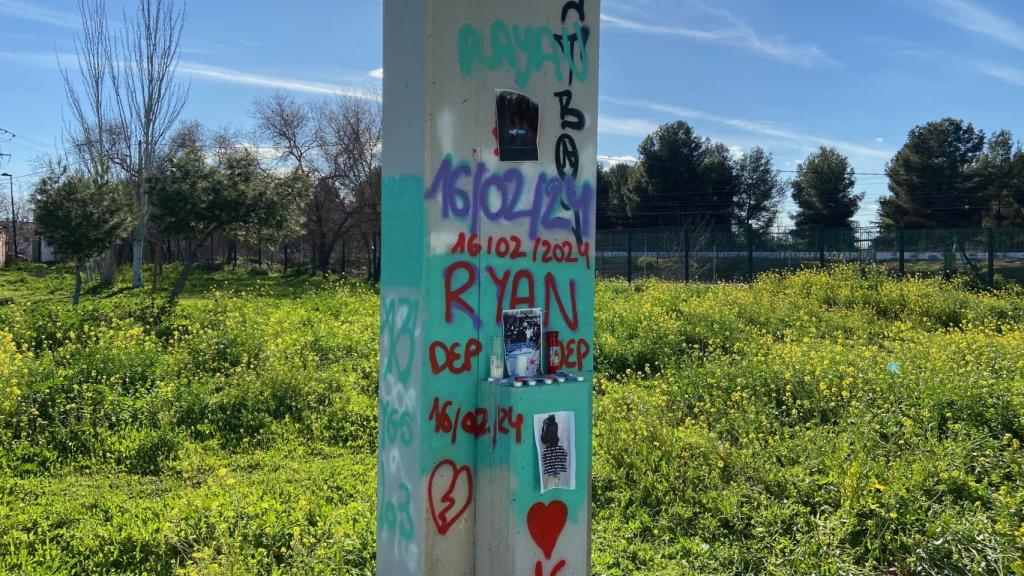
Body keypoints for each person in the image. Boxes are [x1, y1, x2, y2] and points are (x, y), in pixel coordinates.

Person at [541, 415, 569, 490]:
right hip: (555, 446)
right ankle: (556, 475)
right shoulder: (555, 424)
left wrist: (543, 428)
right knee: (555, 464)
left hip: (550, 447)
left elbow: (544, 440)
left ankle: (555, 477)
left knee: (552, 466)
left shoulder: (548, 425)